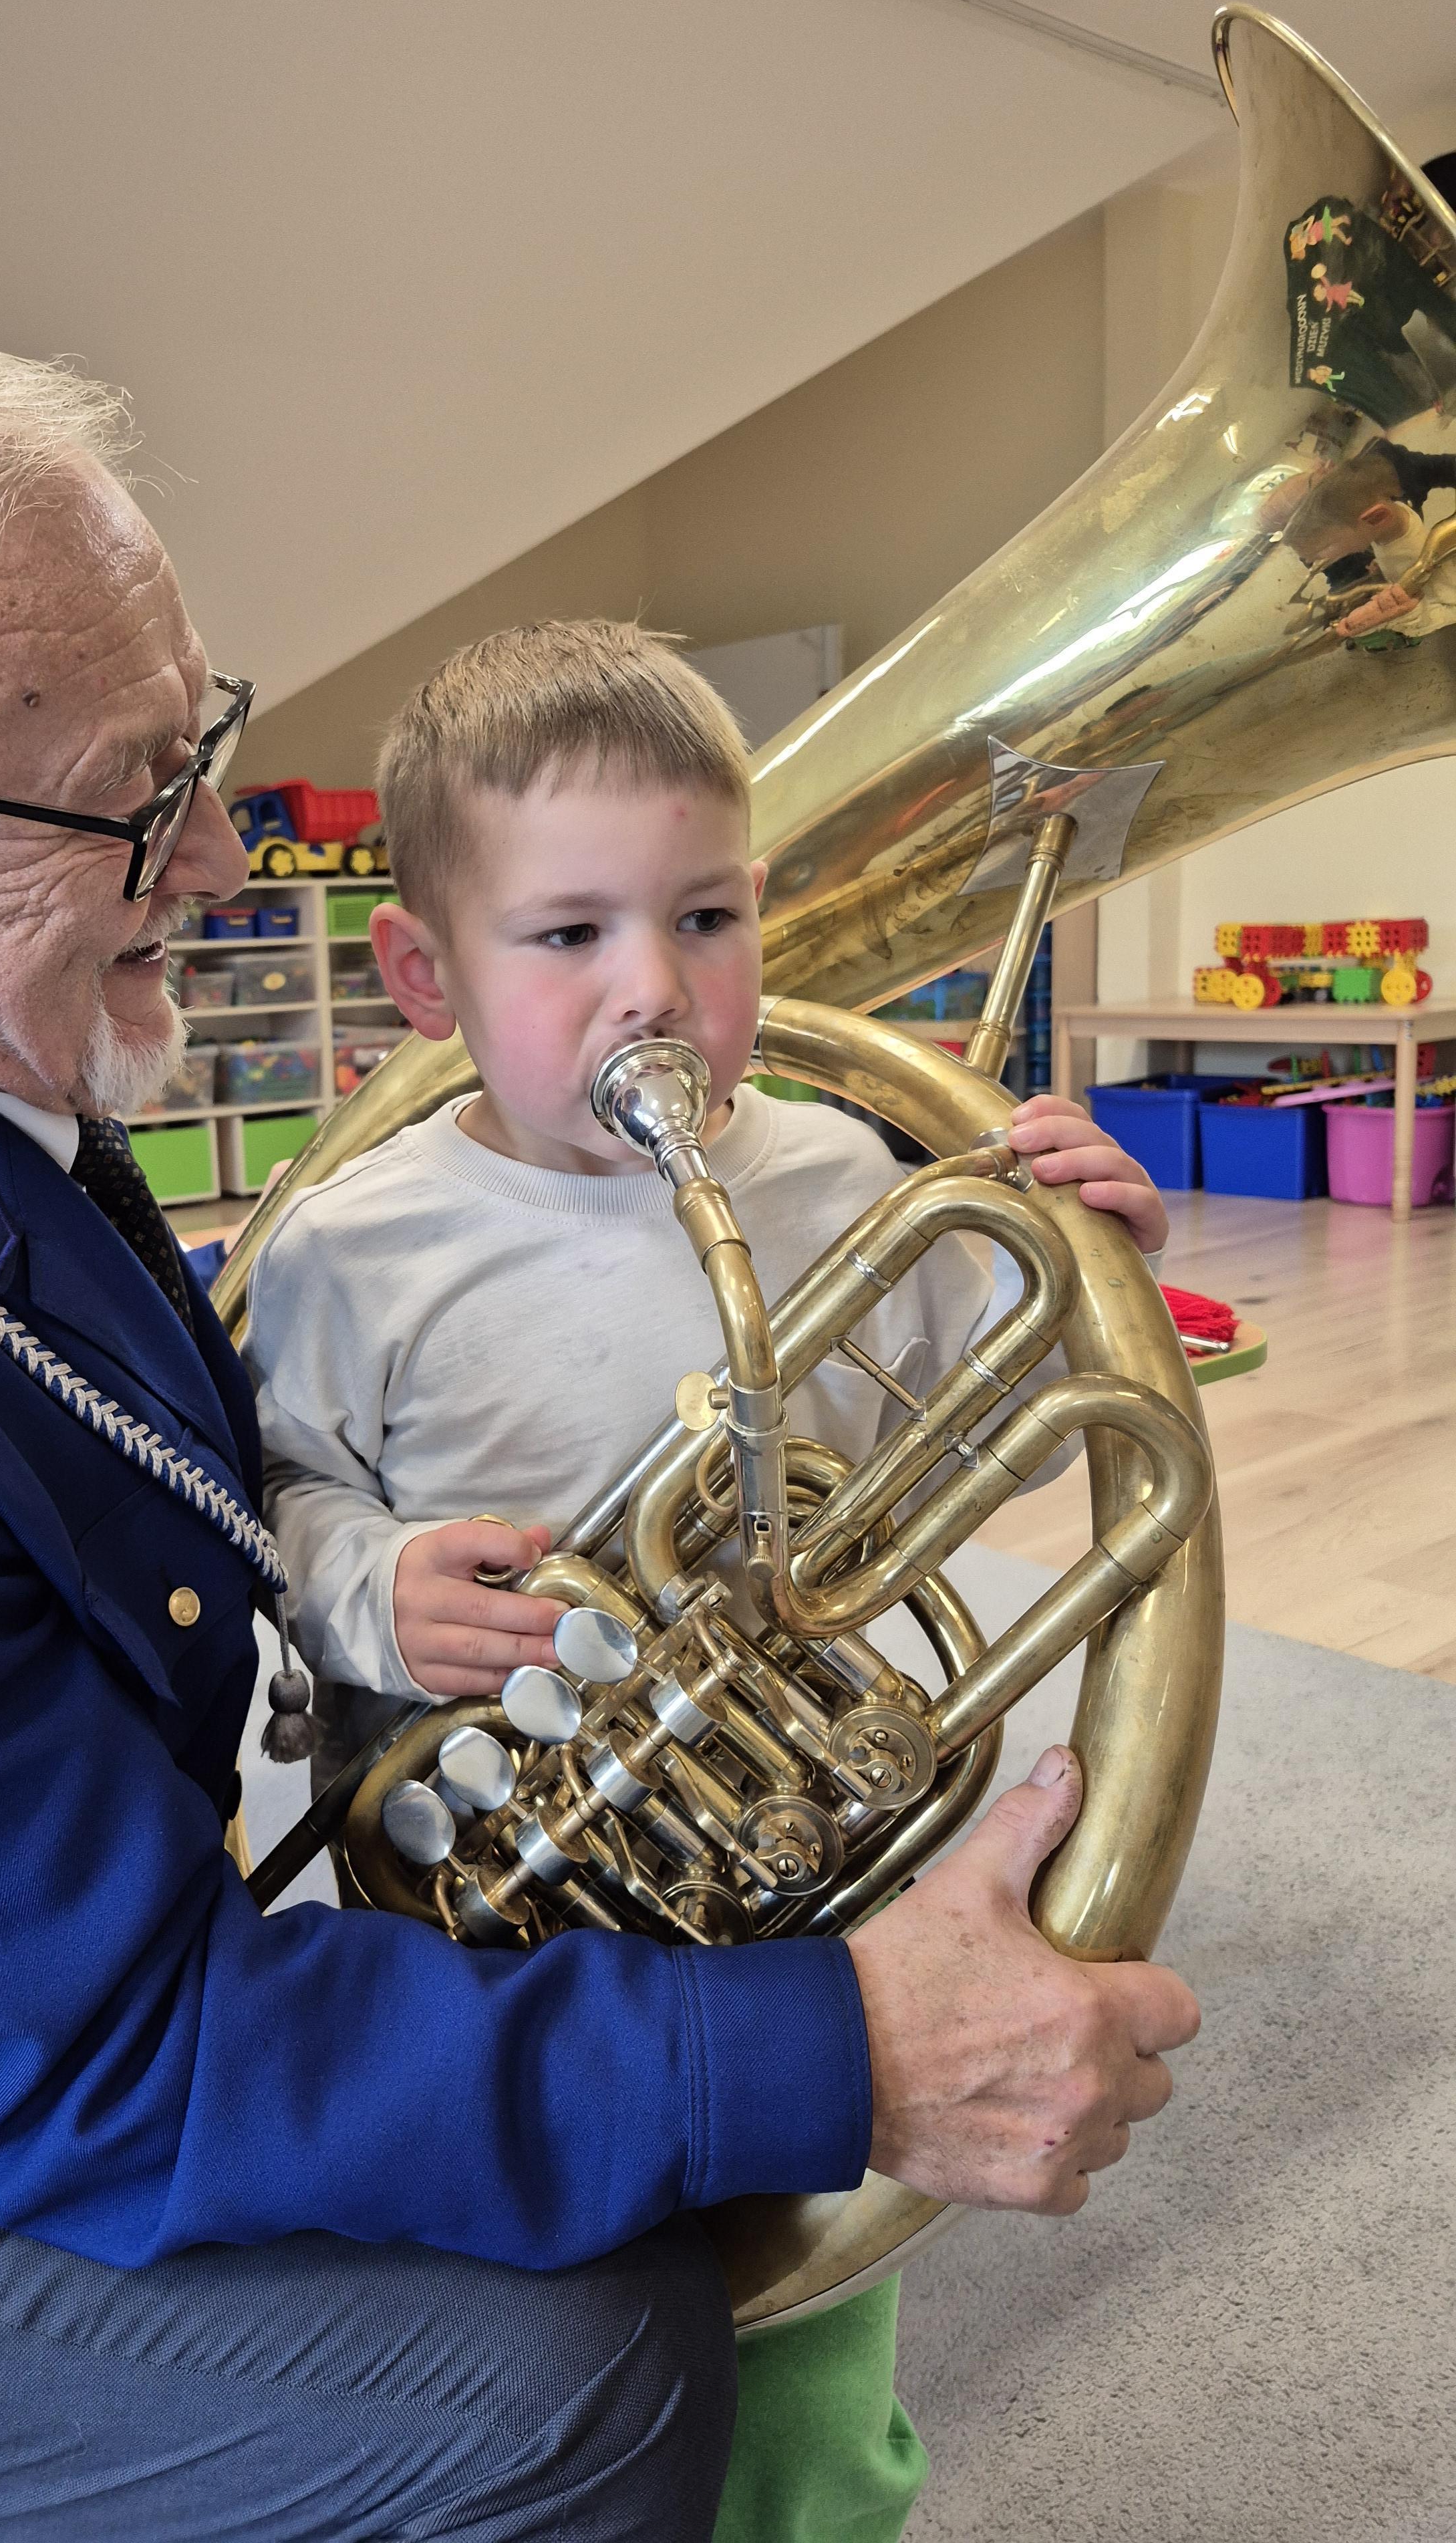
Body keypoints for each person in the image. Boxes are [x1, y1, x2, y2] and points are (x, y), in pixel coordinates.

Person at [0, 325, 1198, 2543]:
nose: (209, 854)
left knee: (540, 2208)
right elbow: (98, 2066)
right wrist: (830, 2047)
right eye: (124, 796)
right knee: (568, 2384)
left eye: (195, 739)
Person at [243, 620, 1174, 2543]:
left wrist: (1095, 1270)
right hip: (484, 1910)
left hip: (786, 1876)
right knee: (511, 2308)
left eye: (709, 919)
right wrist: (373, 1579)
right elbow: (270, 1496)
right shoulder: (355, 1241)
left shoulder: (847, 1174)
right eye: (567, 935)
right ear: (423, 975)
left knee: (805, 2335)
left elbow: (978, 1440)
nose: (655, 989)